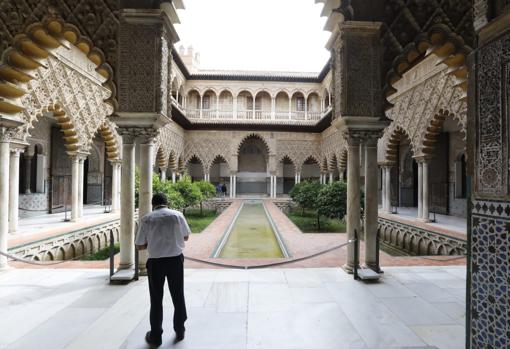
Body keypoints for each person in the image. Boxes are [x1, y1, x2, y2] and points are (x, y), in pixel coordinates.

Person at [135, 193, 191, 346]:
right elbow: (186, 237)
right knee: (178, 295)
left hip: (156, 263)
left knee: (156, 299)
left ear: (153, 204)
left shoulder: (147, 218)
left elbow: (139, 246)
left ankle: (156, 335)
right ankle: (180, 330)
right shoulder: (177, 215)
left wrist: (152, 243)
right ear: (167, 203)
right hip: (175, 261)